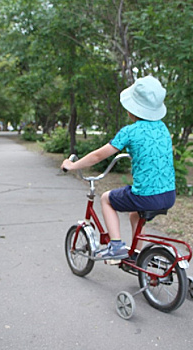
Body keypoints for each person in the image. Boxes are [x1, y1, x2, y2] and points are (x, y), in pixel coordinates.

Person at [61, 76, 176, 259]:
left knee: (106, 199)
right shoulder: (163, 128)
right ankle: (138, 257)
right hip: (168, 195)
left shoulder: (130, 131)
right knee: (135, 216)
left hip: (146, 196)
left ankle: (116, 246)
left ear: (132, 109)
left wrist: (72, 165)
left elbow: (98, 156)